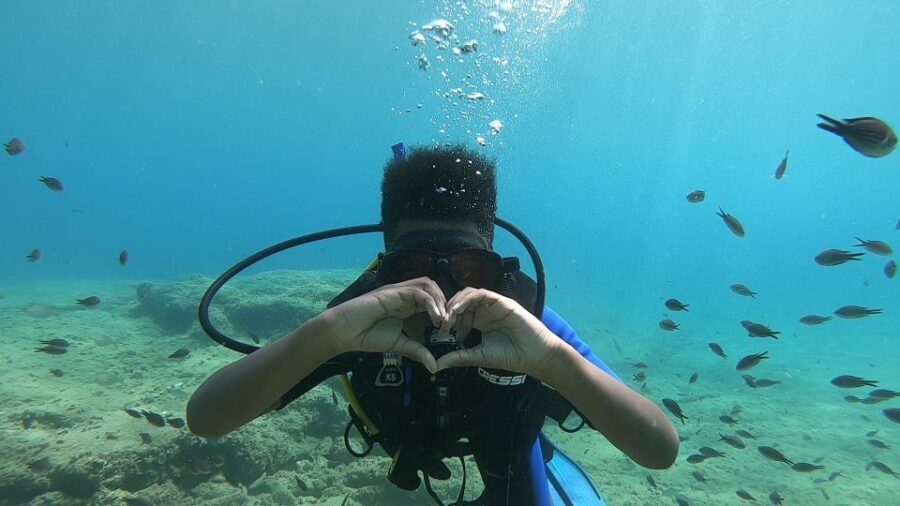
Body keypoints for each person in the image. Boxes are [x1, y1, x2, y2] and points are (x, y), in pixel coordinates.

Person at [187, 144, 679, 505]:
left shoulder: (527, 322)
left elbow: (658, 449)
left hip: (500, 445)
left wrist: (552, 361)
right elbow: (207, 418)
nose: (440, 295)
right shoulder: (355, 318)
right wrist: (323, 338)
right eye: (413, 271)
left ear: (496, 268)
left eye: (468, 272)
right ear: (385, 266)